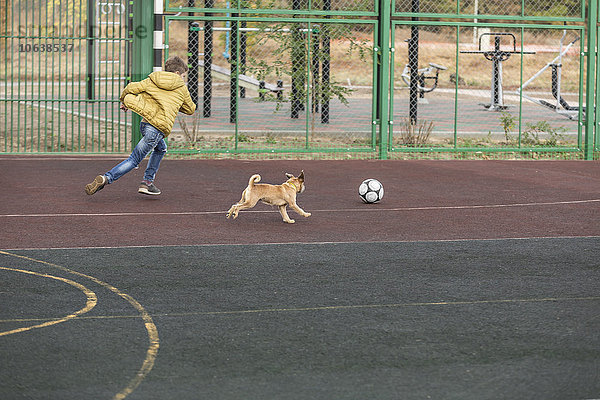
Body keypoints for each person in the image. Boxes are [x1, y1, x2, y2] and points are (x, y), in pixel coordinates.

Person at [85, 56, 196, 196]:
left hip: (145, 124)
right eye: (183, 75)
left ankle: (147, 182)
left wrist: (123, 101)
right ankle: (106, 178)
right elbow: (191, 109)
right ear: (177, 74)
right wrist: (174, 104)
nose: (184, 79)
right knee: (134, 160)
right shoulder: (181, 88)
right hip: (157, 129)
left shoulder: (153, 79)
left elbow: (131, 87)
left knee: (161, 149)